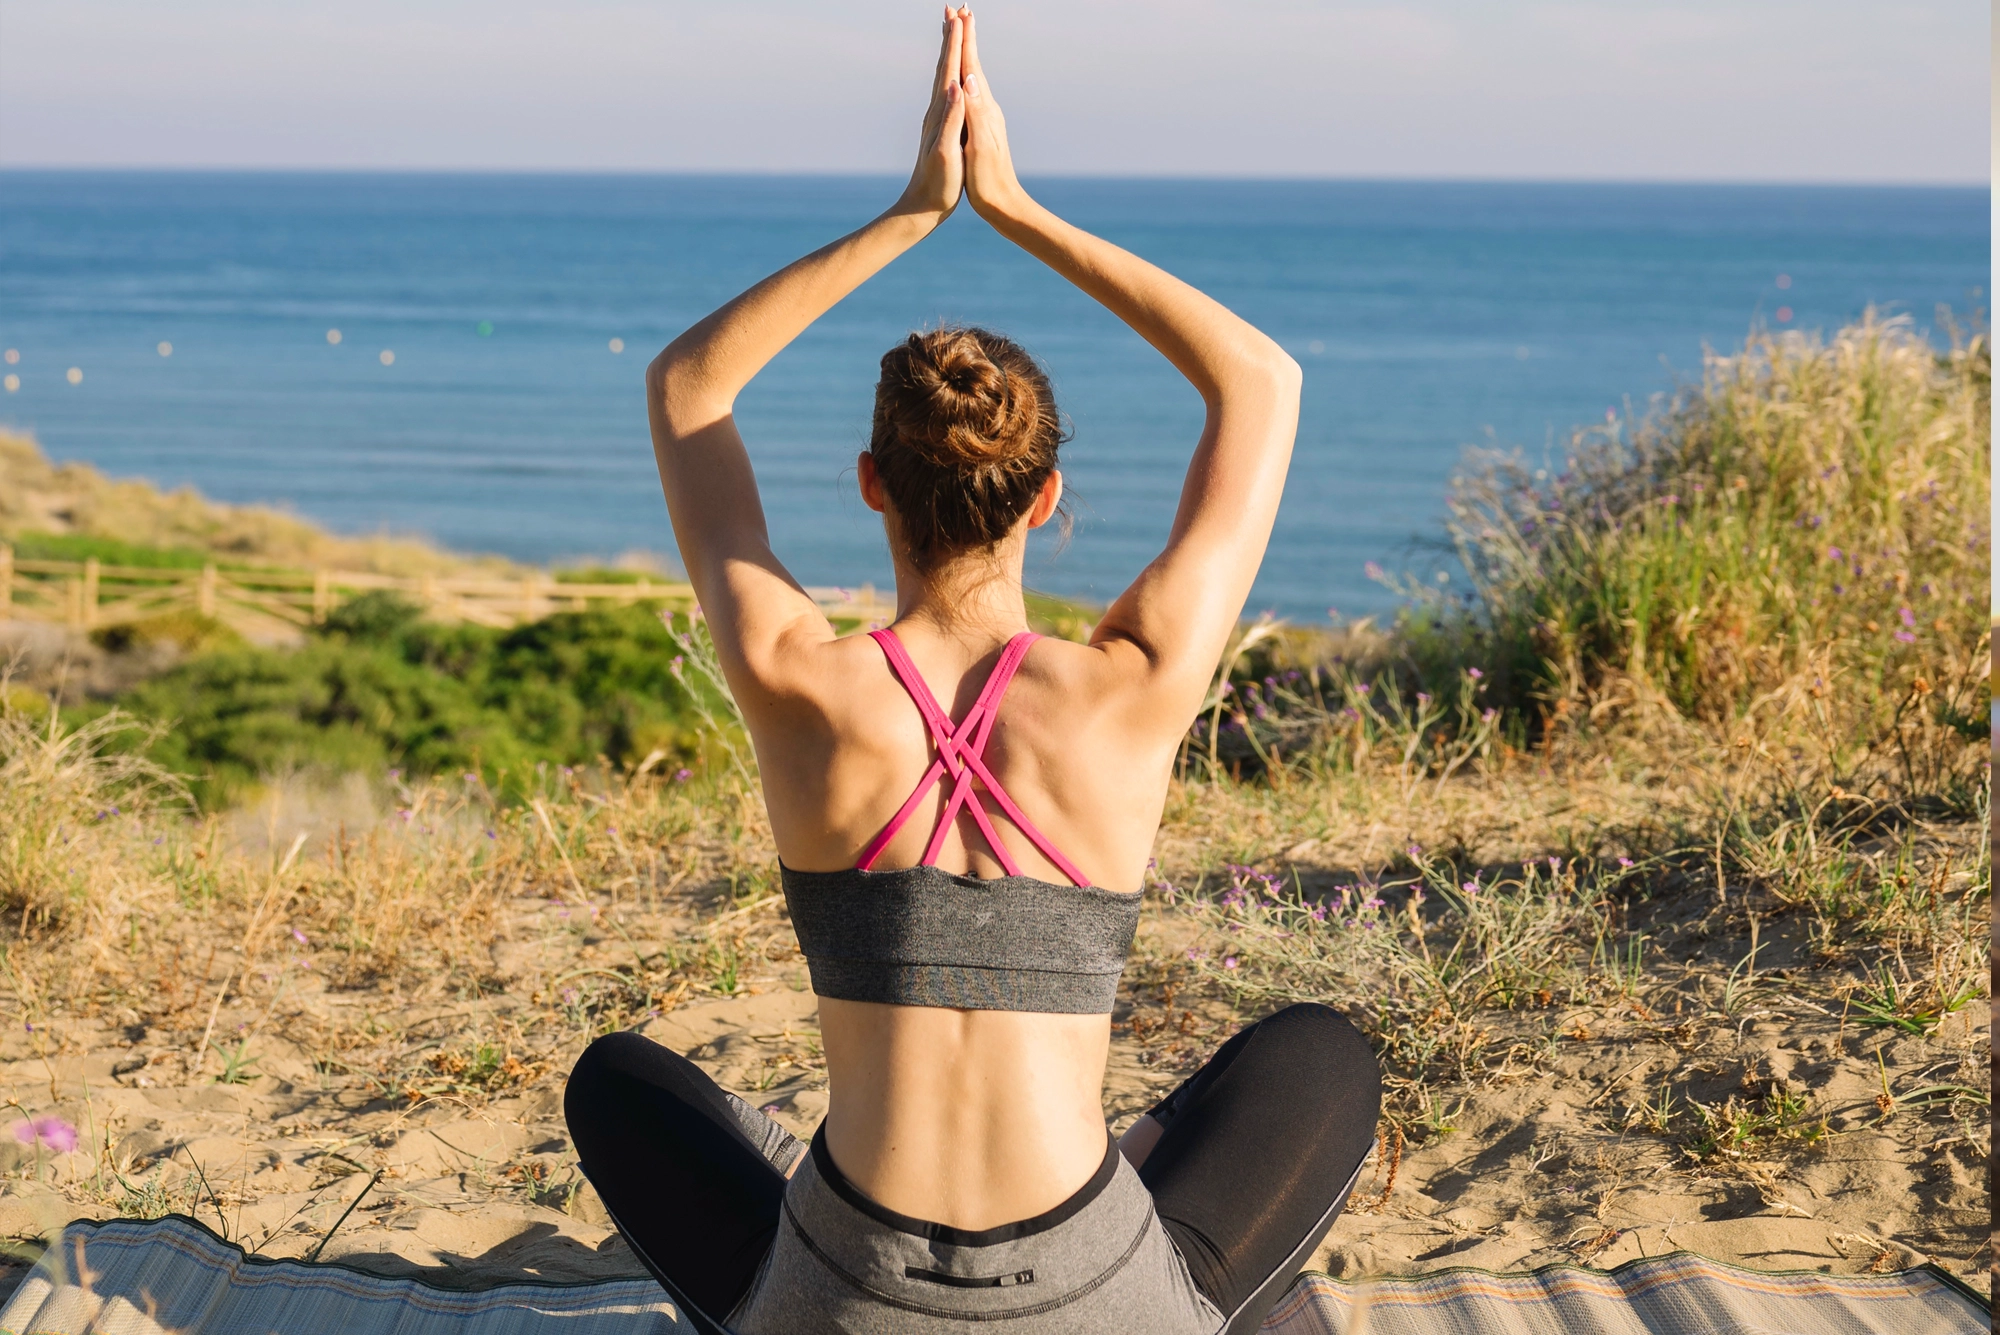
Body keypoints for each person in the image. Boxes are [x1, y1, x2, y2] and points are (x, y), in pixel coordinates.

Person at [564, 10, 1381, 1333]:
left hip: (841, 1299)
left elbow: (685, 386)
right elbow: (1260, 382)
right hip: (1094, 1300)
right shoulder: (1134, 682)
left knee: (618, 1083)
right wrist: (1013, 205)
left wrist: (908, 214)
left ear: (873, 484)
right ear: (1047, 497)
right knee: (1319, 1056)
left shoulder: (795, 678)